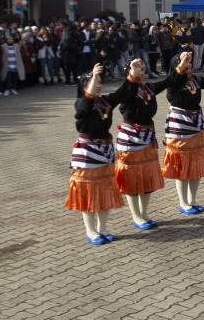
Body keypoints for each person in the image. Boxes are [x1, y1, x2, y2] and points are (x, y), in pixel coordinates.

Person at [105, 57, 167, 231]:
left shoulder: (149, 88)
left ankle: (144, 213)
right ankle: (136, 216)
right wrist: (132, 75)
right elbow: (126, 92)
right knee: (132, 180)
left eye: (142, 67)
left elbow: (170, 81)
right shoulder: (126, 91)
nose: (141, 70)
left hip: (147, 139)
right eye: (136, 68)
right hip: (131, 140)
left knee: (147, 178)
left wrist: (181, 66)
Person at [65, 64, 119, 245]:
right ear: (84, 87)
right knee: (88, 192)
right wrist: (94, 76)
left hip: (106, 149)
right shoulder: (81, 103)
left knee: (105, 190)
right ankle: (91, 230)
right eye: (94, 82)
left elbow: (125, 92)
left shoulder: (105, 101)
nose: (98, 85)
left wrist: (133, 72)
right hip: (87, 152)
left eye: (100, 82)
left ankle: (102, 228)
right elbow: (86, 104)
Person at [161, 51, 204, 215]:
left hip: (196, 125)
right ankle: (183, 202)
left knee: (195, 164)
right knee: (182, 167)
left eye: (189, 62)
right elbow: (174, 88)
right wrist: (181, 66)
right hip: (180, 127)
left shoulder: (196, 80)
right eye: (184, 62)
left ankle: (192, 200)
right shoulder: (172, 83)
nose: (188, 64)